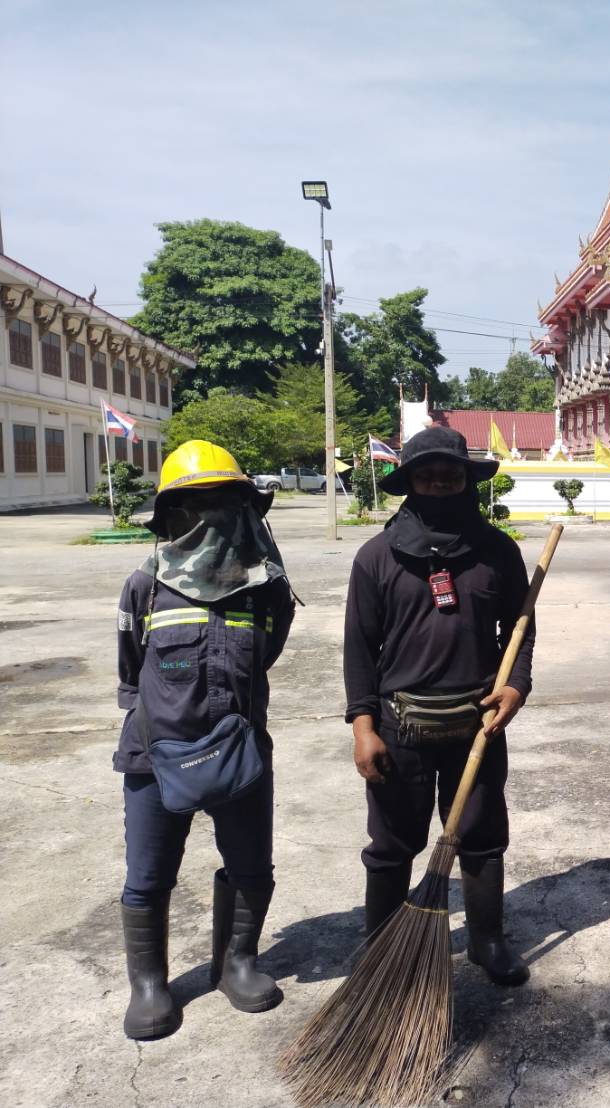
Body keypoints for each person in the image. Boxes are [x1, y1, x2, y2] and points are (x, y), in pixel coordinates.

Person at [114, 439, 297, 1040]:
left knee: (250, 864)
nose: (210, 517)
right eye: (195, 505)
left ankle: (236, 962)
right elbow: (130, 669)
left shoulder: (265, 587)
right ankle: (149, 985)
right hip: (154, 753)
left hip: (240, 748)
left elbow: (266, 654)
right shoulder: (144, 587)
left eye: (223, 502)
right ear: (170, 515)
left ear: (244, 509)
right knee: (148, 874)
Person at [343, 426, 534, 985]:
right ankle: (381, 949)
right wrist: (363, 725)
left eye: (450, 478)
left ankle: (486, 940)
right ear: (410, 484)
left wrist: (516, 687)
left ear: (467, 482)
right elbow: (359, 646)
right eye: (427, 478)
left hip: (477, 724)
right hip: (399, 723)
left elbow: (519, 633)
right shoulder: (376, 558)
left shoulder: (498, 553)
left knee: (481, 836)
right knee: (392, 843)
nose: (440, 486)